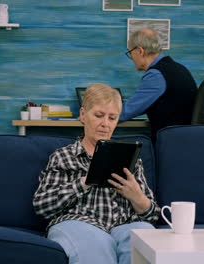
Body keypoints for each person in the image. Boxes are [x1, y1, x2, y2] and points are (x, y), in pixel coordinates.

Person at [33, 83, 160, 264]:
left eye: (112, 118)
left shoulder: (131, 159)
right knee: (96, 246)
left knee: (145, 237)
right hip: (78, 222)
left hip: (124, 226)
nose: (105, 124)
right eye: (99, 115)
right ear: (83, 115)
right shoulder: (64, 157)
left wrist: (137, 197)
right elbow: (42, 206)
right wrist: (84, 182)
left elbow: (153, 216)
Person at [119, 28, 198, 142]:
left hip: (170, 144)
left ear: (140, 51)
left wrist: (92, 115)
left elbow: (127, 111)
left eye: (130, 53)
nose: (131, 58)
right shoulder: (179, 68)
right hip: (186, 141)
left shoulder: (156, 75)